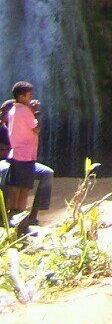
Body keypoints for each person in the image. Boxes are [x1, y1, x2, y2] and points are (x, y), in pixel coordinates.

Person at [5, 82, 53, 226]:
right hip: (25, 155)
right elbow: (36, 129)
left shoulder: (13, 110)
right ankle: (22, 221)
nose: (31, 98)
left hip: (15, 154)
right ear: (21, 96)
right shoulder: (25, 111)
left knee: (15, 188)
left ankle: (9, 219)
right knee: (24, 189)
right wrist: (34, 111)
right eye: (29, 95)